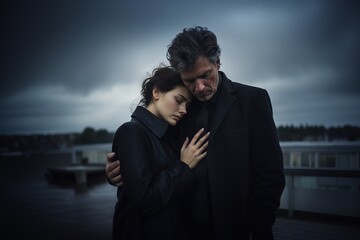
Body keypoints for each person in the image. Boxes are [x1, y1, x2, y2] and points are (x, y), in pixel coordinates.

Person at [107, 26, 285, 240]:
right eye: (190, 80)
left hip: (239, 229)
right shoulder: (179, 110)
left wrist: (257, 226)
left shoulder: (253, 100)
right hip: (185, 231)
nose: (199, 87)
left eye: (205, 75)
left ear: (217, 63)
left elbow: (270, 174)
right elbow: (153, 157)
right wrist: (118, 171)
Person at [111, 65, 210, 240]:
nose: (184, 110)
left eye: (187, 105)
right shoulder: (131, 132)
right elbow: (143, 200)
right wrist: (183, 166)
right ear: (156, 93)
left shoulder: (166, 135)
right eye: (178, 100)